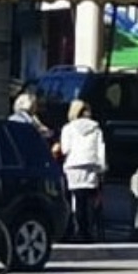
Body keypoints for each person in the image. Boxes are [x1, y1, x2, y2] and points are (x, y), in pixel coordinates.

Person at [58, 98, 106, 242]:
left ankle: (77, 231)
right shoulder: (96, 128)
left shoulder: (68, 128)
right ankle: (88, 232)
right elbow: (101, 149)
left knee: (76, 200)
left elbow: (65, 149)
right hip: (91, 165)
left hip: (73, 166)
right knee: (89, 200)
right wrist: (102, 167)